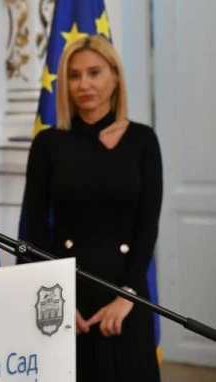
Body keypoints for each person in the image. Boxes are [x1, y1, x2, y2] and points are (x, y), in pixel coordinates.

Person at [19, 35, 161, 381]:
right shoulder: (48, 144)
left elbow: (147, 226)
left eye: (94, 73)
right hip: (66, 293)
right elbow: (34, 230)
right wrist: (55, 301)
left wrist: (127, 296)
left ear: (115, 78)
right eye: (74, 75)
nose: (84, 84)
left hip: (126, 294)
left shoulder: (142, 140)